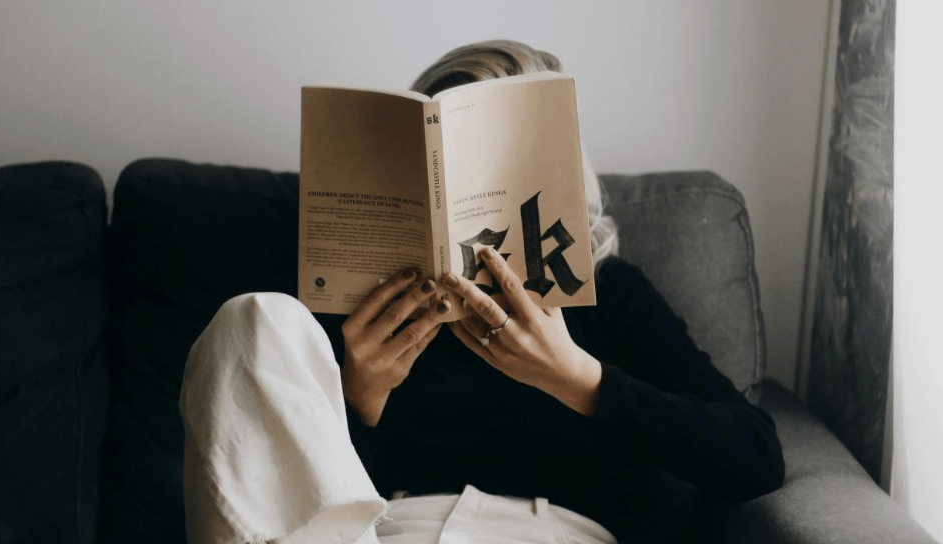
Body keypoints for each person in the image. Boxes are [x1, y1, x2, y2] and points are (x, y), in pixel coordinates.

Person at [179, 40, 784, 544]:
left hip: (548, 535)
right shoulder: (364, 302)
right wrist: (360, 398)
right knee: (253, 318)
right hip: (386, 531)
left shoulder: (611, 294)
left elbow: (755, 457)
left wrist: (576, 378)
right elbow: (309, 495)